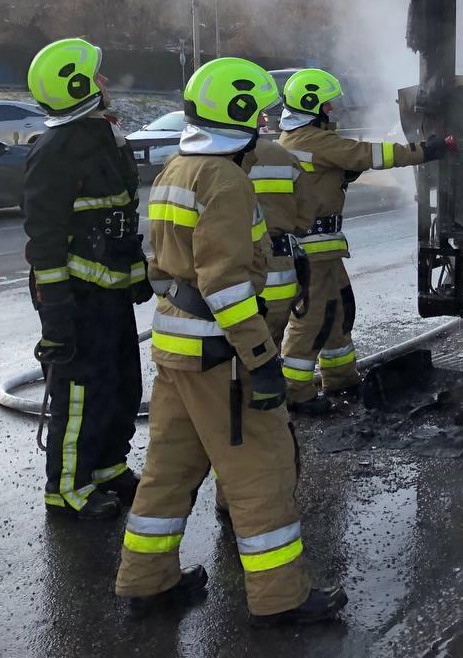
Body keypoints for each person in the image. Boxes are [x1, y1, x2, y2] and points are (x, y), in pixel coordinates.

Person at [116, 57, 345, 625]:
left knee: (167, 471)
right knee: (260, 470)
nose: (266, 122)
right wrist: (262, 358)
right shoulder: (225, 180)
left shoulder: (176, 168)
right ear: (239, 113)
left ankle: (147, 582)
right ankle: (280, 599)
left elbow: (164, 270)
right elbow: (225, 284)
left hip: (176, 351)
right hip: (223, 358)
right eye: (259, 112)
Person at [23, 38, 148, 520]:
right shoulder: (53, 151)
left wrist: (135, 277)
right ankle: (67, 487)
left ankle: (107, 467)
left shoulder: (104, 139)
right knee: (80, 392)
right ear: (78, 87)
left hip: (110, 291)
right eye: (97, 77)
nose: (105, 83)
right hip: (77, 295)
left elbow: (119, 219)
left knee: (121, 385)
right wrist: (55, 315)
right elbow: (46, 242)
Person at [275, 69, 448, 413]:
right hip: (313, 247)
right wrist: (425, 151)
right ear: (312, 106)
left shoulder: (300, 138)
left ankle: (340, 377)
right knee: (312, 318)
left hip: (323, 245)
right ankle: (296, 392)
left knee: (337, 310)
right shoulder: (311, 139)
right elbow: (369, 154)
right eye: (328, 105)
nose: (333, 110)